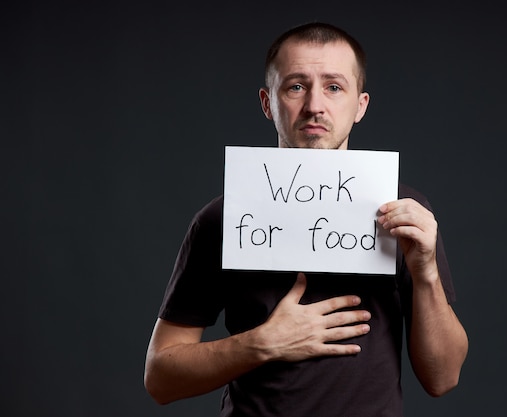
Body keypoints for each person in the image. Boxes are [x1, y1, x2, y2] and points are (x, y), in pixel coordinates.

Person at [144, 22, 468, 416]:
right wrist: (263, 343)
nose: (315, 105)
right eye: (296, 86)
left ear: (360, 105)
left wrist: (426, 273)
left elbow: (443, 378)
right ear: (268, 102)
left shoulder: (403, 212)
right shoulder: (223, 218)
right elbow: (160, 377)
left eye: (334, 87)